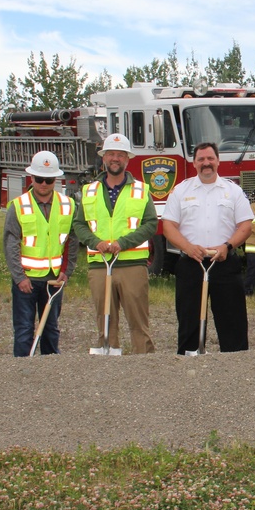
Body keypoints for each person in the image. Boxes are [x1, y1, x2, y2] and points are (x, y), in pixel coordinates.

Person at [162, 141, 253, 354]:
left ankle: (234, 365)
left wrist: (226, 246)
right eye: (201, 159)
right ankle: (189, 365)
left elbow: (246, 225)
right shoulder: (180, 191)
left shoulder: (233, 191)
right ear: (194, 163)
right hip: (191, 263)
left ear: (218, 160)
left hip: (223, 262)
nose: (206, 163)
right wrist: (188, 247)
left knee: (233, 321)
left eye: (210, 158)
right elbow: (168, 226)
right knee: (189, 322)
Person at [73, 133, 159, 354]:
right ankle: (110, 368)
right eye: (111, 154)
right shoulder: (89, 191)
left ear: (127, 159)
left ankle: (145, 364)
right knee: (105, 322)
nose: (115, 158)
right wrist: (96, 242)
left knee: (139, 323)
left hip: (132, 265)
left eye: (120, 155)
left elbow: (151, 224)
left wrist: (124, 242)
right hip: (100, 265)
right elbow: (79, 225)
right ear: (104, 158)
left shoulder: (141, 190)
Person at [4, 150, 78, 356]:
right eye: (39, 179)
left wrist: (66, 272)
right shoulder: (18, 206)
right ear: (31, 178)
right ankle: (22, 370)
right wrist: (19, 277)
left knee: (51, 329)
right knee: (24, 330)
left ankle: (51, 370)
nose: (44, 184)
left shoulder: (68, 205)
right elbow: (11, 244)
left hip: (54, 279)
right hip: (26, 281)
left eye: (48, 180)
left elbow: (71, 241)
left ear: (55, 179)